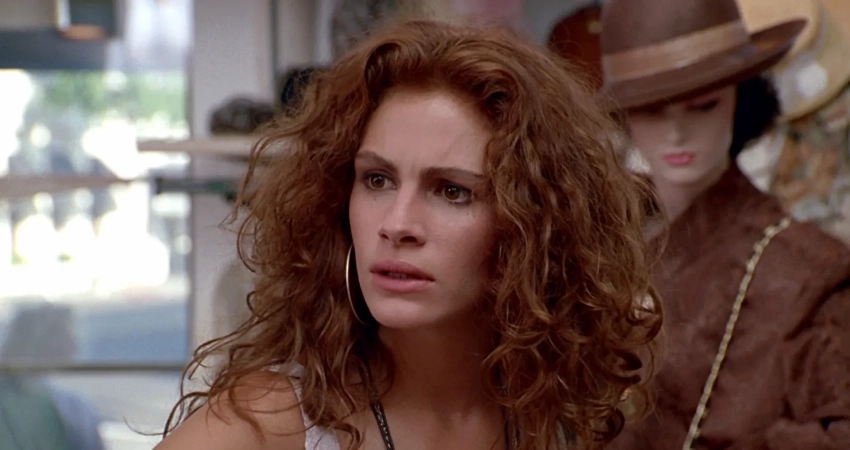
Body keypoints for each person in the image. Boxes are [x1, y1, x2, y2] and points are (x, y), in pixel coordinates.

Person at [156, 18, 663, 450]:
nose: (397, 224)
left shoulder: (563, 419)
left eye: (452, 191)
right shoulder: (265, 425)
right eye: (377, 180)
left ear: (534, 225)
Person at [599, 0, 850, 449]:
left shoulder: (808, 270)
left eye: (702, 105)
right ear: (626, 115)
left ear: (738, 100)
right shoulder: (605, 259)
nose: (677, 132)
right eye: (653, 110)